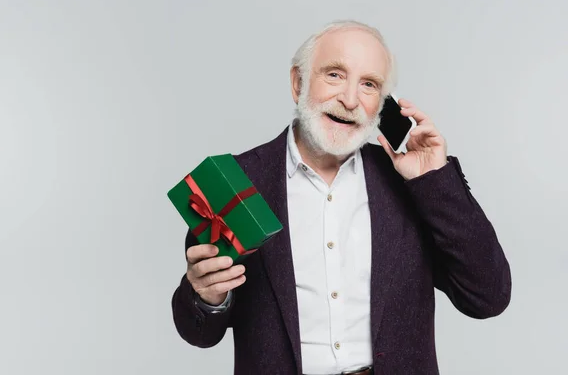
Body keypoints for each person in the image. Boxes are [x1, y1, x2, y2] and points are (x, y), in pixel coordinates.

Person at [171, 20, 512, 375]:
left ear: (382, 104)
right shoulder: (235, 183)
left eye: (369, 85)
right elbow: (199, 333)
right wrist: (207, 296)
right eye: (334, 75)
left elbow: (488, 297)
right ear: (298, 83)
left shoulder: (413, 183)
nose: (349, 100)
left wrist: (435, 179)